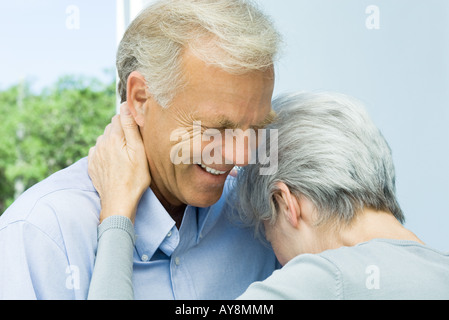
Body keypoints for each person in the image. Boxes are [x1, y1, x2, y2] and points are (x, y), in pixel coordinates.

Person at [0, 0, 281, 299]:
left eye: (255, 129)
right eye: (217, 128)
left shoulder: (261, 217)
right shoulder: (39, 235)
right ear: (141, 98)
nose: (241, 156)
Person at [87, 92, 449, 299]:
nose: (277, 260)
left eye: (267, 232)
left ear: (285, 203)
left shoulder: (319, 279)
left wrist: (118, 211)